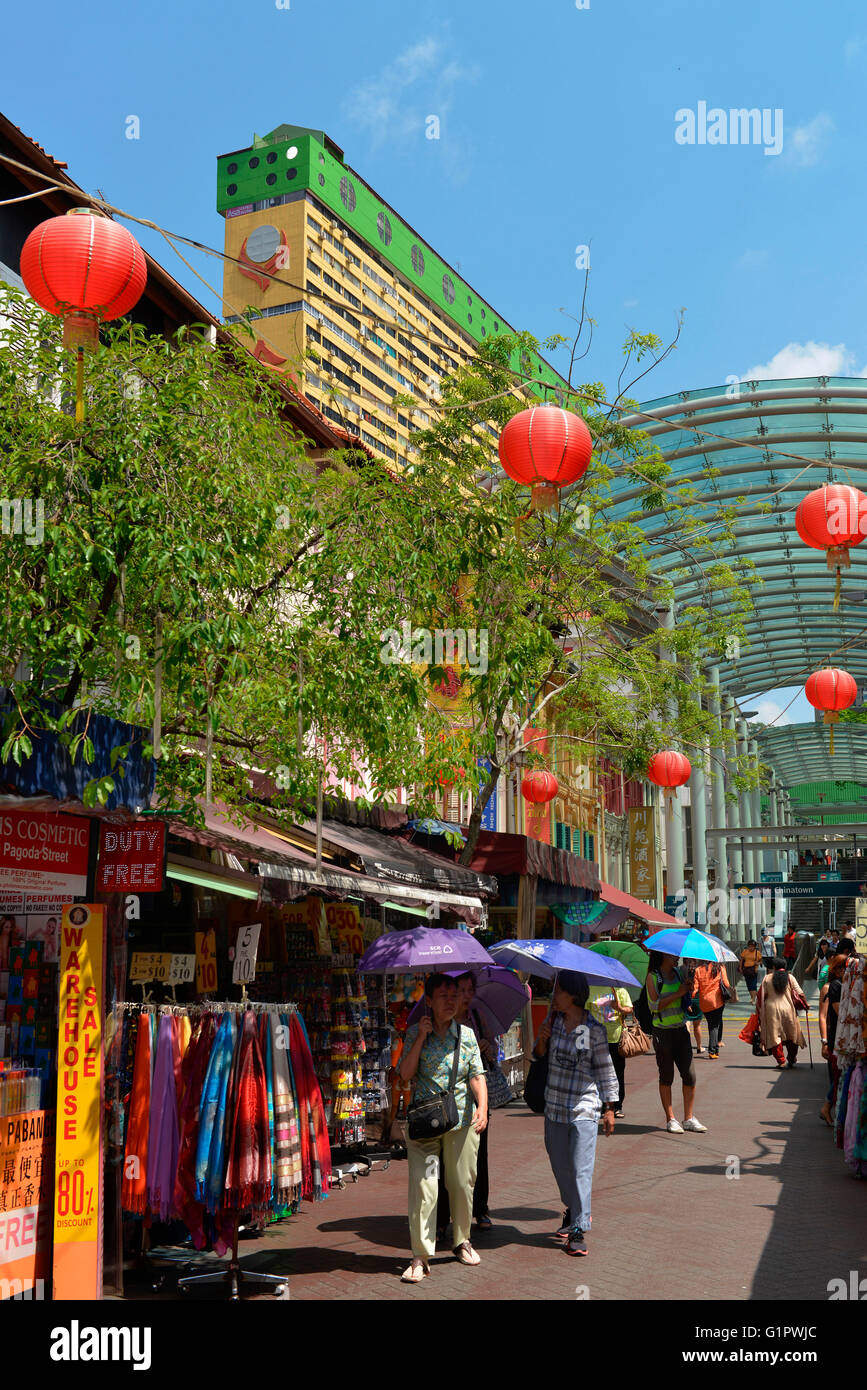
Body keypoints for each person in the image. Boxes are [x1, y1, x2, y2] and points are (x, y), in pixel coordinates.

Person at [399, 973, 487, 1283]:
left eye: (455, 995)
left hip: (460, 1121)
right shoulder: (413, 1033)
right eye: (444, 995)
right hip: (425, 1126)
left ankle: (462, 1240)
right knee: (426, 1187)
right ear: (430, 1001)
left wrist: (484, 1108)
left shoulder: (466, 1035)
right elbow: (405, 1075)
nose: (451, 1000)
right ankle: (420, 1256)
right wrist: (421, 1038)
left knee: (462, 1183)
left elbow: (477, 1075)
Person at [533, 970, 617, 1256]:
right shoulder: (552, 1021)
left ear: (573, 995)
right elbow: (538, 1055)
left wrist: (609, 1109)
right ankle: (572, 1207)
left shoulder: (593, 1028)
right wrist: (541, 1039)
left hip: (584, 1107)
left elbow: (605, 1069)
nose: (554, 996)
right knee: (559, 1165)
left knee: (581, 1170)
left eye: (558, 991)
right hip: (554, 1105)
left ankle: (579, 1229)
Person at [436, 972, 495, 1237]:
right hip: (444, 1102)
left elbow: (493, 1053)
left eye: (471, 990)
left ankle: (480, 1208)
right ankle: (442, 1216)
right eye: (461, 990)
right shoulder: (437, 1025)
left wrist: (485, 1047)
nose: (466, 995)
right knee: (443, 1160)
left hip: (476, 1098)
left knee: (477, 1157)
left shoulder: (478, 1019)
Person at [645, 952, 707, 1133]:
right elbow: (653, 1005)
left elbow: (684, 998)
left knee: (690, 1075)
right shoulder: (653, 977)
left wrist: (687, 989)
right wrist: (677, 993)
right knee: (666, 1076)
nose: (676, 957)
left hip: (681, 1029)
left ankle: (688, 1117)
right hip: (662, 1032)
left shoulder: (679, 973)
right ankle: (670, 1118)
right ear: (662, 955)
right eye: (672, 954)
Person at [587, 982, 633, 1117]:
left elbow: (630, 1009)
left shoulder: (620, 989)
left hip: (615, 1037)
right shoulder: (591, 988)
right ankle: (601, 1105)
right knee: (598, 1073)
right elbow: (585, 1011)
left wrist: (619, 1008)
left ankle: (617, 1105)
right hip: (596, 1038)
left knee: (617, 1072)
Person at [755, 957, 809, 1068]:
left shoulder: (767, 978)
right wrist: (806, 1005)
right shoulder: (790, 978)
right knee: (792, 1034)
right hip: (788, 1009)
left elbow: (760, 996)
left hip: (771, 1010)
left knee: (775, 1036)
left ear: (773, 967)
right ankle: (792, 1058)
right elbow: (801, 994)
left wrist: (759, 1013)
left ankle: (781, 1060)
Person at [819, 954, 848, 1126]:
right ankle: (828, 1106)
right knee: (839, 1076)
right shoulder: (835, 986)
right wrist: (824, 1041)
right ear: (837, 970)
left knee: (841, 1075)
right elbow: (833, 1014)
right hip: (836, 1038)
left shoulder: (844, 985)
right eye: (844, 968)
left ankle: (828, 1107)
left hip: (841, 1037)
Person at [690, 961, 731, 1059]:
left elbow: (695, 988)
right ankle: (712, 1051)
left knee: (711, 1024)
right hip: (717, 1001)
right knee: (714, 1026)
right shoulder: (720, 967)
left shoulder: (698, 970)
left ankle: (715, 1049)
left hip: (704, 1002)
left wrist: (691, 997)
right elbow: (726, 984)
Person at [739, 939, 762, 1006]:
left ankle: (753, 999)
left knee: (753, 985)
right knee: (749, 985)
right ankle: (752, 997)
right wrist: (740, 967)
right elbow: (741, 960)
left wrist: (757, 963)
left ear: (755, 947)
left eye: (752, 946)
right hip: (746, 970)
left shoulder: (757, 953)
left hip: (754, 970)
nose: (751, 948)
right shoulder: (745, 952)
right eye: (750, 946)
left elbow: (761, 961)